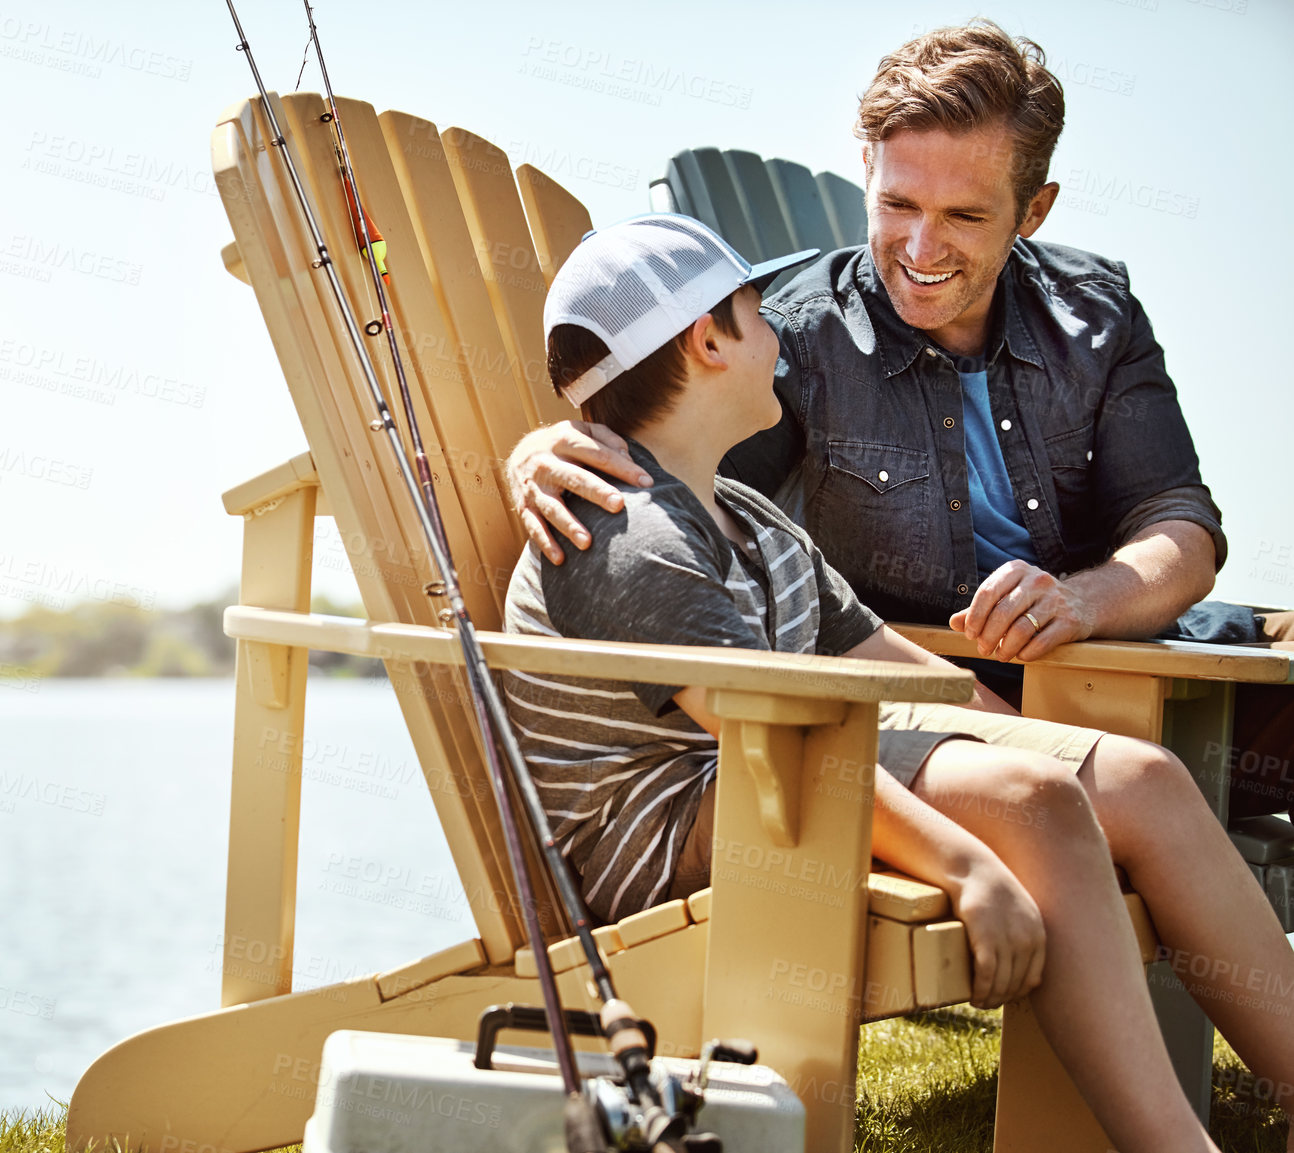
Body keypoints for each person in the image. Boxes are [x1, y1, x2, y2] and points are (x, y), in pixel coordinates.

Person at [507, 211, 1293, 1152]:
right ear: (706, 340)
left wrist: (1079, 759)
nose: (782, 342)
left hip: (780, 774)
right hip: (681, 827)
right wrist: (968, 860)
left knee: (1143, 779)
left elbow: (905, 673)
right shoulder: (629, 536)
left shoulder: (750, 518)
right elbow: (771, 738)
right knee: (1033, 798)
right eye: (760, 317)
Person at [504, 19, 1294, 821]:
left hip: (1132, 665)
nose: (921, 246)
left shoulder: (1096, 314)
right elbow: (670, 473)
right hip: (947, 709)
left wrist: (1083, 601)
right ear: (866, 172)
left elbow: (1180, 527)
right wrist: (543, 447)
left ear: (1034, 210)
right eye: (897, 203)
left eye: (965, 216)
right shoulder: (795, 335)